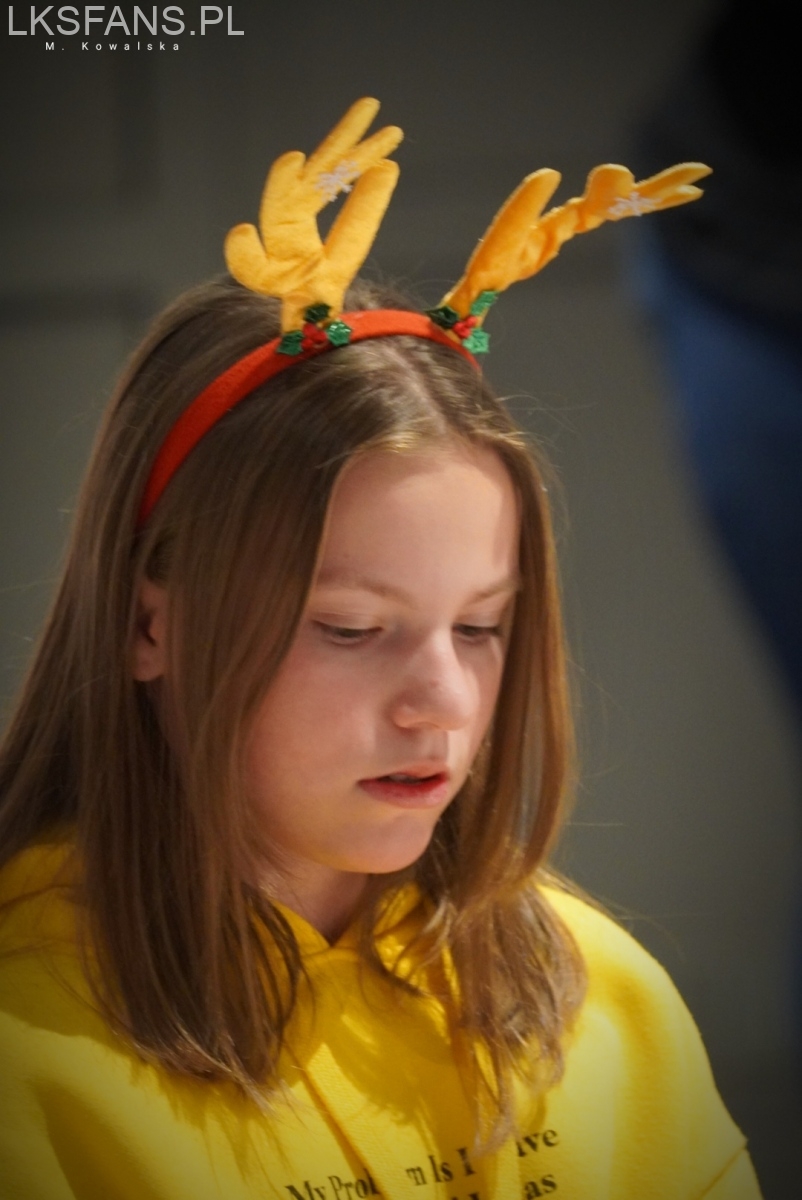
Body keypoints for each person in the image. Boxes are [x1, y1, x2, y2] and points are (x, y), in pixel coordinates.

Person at [0, 99, 760, 1199]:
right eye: (351, 629)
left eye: (481, 627)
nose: (442, 703)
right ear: (148, 625)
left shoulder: (603, 1001)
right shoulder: (26, 1054)